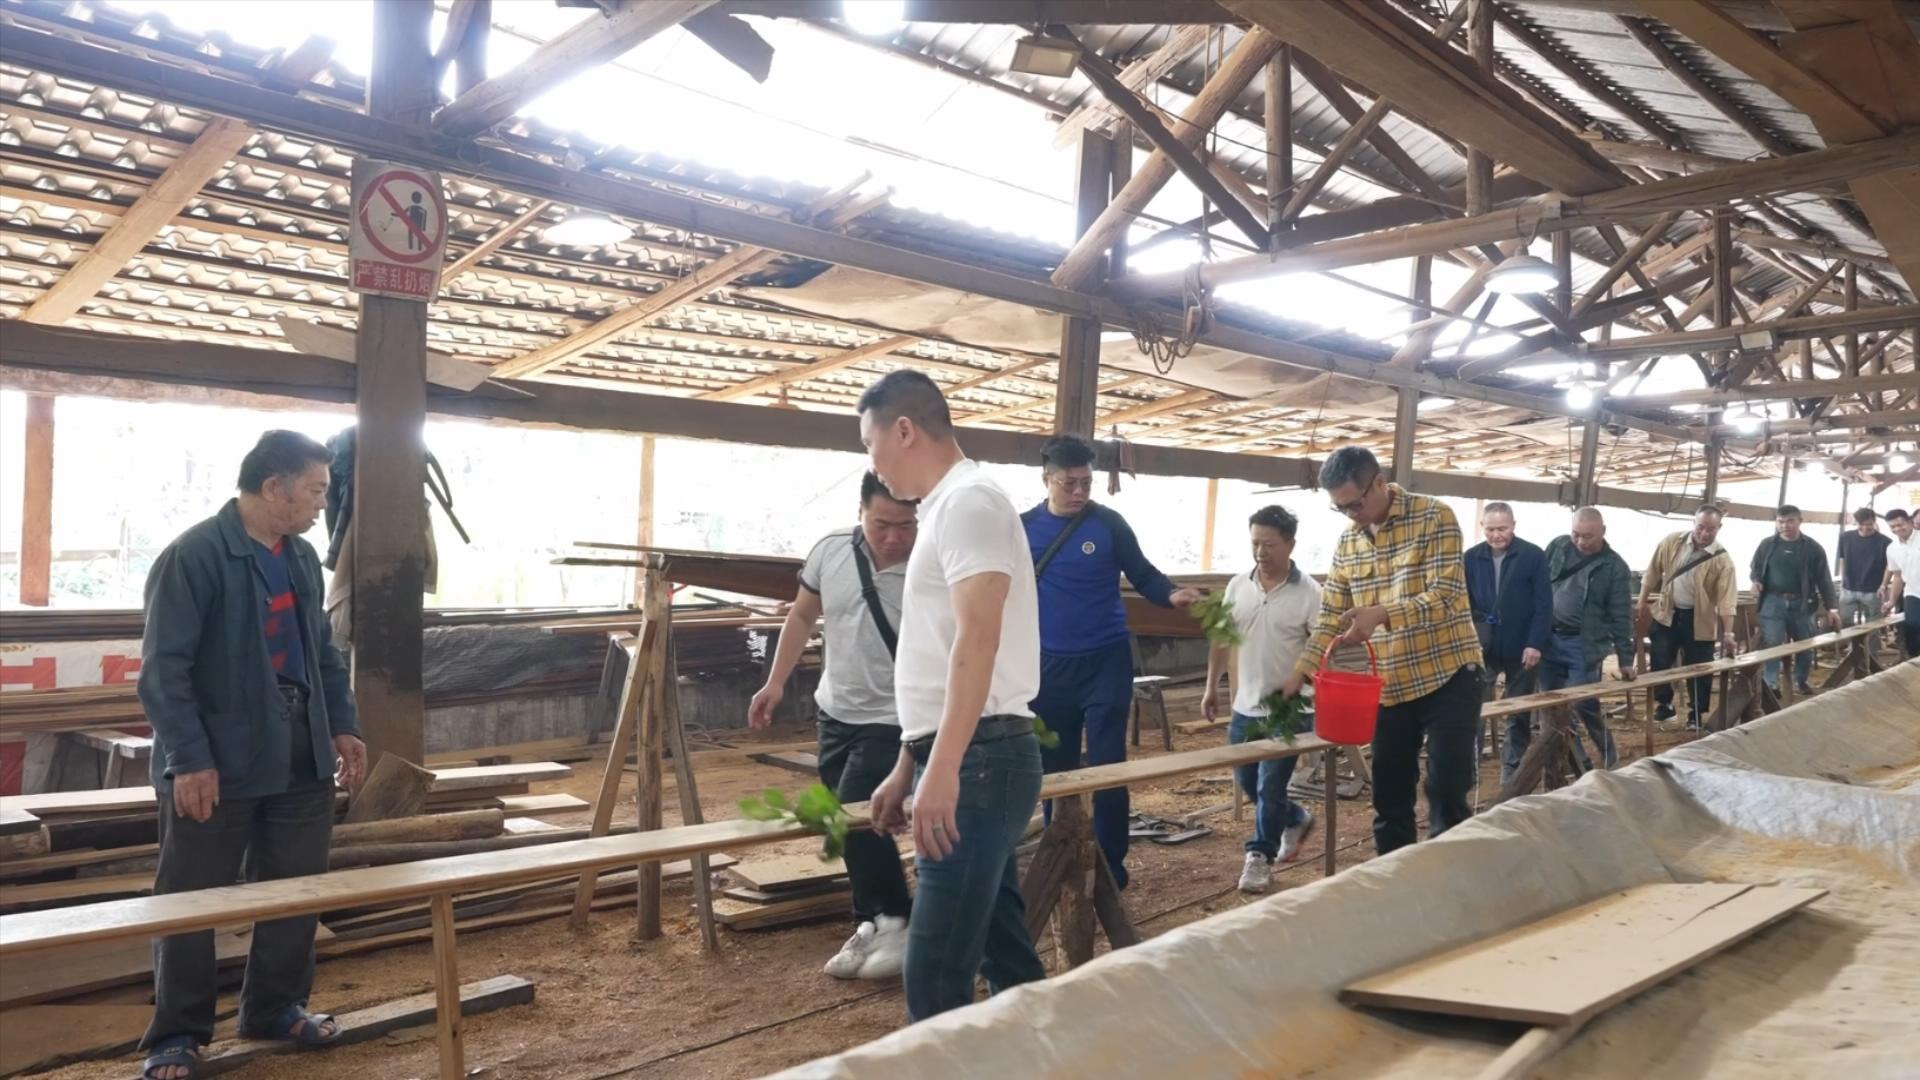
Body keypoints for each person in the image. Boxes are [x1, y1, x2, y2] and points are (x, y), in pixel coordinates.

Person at [135, 431, 368, 1080]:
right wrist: (189, 759)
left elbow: (322, 653)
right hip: (217, 760)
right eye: (316, 490)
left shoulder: (301, 559)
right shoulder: (194, 557)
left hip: (300, 752)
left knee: (295, 889)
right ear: (274, 487)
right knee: (190, 899)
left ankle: (274, 1008)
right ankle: (177, 1034)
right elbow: (163, 672)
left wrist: (342, 726)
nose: (324, 503)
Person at [856, 370, 1047, 1022]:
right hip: (969, 753)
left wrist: (941, 769)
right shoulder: (946, 508)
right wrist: (910, 761)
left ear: (905, 430)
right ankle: (1041, 1055)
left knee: (934, 973)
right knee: (1004, 953)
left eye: (872, 445)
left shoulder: (970, 503)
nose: (874, 464)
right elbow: (942, 657)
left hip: (980, 760)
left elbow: (977, 639)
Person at [748, 472, 919, 980]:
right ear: (860, 512)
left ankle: (898, 920)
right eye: (882, 524)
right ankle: (869, 922)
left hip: (895, 717)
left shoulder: (933, 564)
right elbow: (802, 616)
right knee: (843, 821)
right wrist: (776, 682)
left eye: (906, 525)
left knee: (855, 815)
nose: (894, 537)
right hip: (836, 711)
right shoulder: (830, 551)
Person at [1281, 448, 1483, 856]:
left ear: (1378, 482)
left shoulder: (1434, 516)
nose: (1350, 514)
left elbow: (1446, 596)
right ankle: (1395, 875)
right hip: (1389, 685)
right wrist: (1303, 669)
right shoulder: (1349, 542)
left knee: (1446, 787)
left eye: (1354, 504)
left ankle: (1450, 874)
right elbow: (1331, 614)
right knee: (1389, 794)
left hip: (1449, 674)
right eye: (1340, 508)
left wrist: (1382, 613)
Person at [1022, 434, 1201, 890]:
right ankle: (1061, 858)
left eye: (1086, 482)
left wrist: (1171, 594)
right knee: (1057, 771)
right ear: (1046, 479)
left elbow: (1143, 573)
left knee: (1108, 766)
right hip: (1048, 666)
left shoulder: (1108, 524)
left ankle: (1111, 869)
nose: (1079, 491)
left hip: (1106, 660)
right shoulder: (1021, 529)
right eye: (1069, 483)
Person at [1200, 506, 1321, 893]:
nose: (1260, 552)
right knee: (1251, 784)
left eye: (1269, 544)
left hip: (1290, 709)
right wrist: (1212, 686)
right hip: (1245, 706)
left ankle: (1259, 857)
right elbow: (1222, 639)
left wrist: (1301, 676)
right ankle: (1296, 818)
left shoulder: (1310, 593)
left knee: (1270, 787)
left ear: (1290, 544)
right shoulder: (1238, 586)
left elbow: (1322, 648)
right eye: (1255, 543)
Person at [1540, 508, 1636, 771]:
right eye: (1576, 534)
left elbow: (1621, 615)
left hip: (1583, 644)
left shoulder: (1615, 567)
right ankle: (1578, 764)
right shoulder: (1558, 546)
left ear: (1603, 531)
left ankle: (1608, 752)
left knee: (1583, 702)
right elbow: (1537, 582)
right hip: (1549, 639)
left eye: (1588, 536)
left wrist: (1626, 659)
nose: (1580, 541)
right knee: (1551, 705)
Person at [1462, 502, 1550, 786]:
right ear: (1482, 528)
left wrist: (1535, 643)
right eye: (1490, 529)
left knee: (1518, 710)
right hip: (1482, 646)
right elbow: (1463, 603)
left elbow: (1543, 605)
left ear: (1514, 526)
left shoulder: (1532, 556)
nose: (1496, 535)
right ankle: (1470, 771)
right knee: (1474, 708)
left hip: (1522, 646)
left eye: (1502, 528)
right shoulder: (1471, 558)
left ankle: (1511, 773)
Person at [1637, 505, 1739, 730]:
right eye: (1700, 527)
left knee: (1699, 666)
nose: (1704, 533)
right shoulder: (1672, 542)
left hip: (1699, 619)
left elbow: (1727, 599)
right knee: (1660, 658)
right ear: (1693, 522)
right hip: (1668, 612)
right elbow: (1652, 571)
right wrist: (1642, 601)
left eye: (1711, 529)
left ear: (1719, 528)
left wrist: (1728, 633)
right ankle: (1665, 705)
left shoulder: (1723, 560)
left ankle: (1696, 714)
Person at [1750, 504, 1839, 696]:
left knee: (1804, 644)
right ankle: (1771, 684)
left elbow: (1824, 579)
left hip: (1802, 603)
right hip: (1773, 601)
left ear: (1800, 521)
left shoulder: (1813, 548)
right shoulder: (1767, 545)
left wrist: (1832, 608)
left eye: (1790, 521)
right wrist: (1756, 581)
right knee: (1773, 643)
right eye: (1781, 521)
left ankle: (1801, 680)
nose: (1785, 526)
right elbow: (1756, 568)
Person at [1836, 507, 1891, 628]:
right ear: (1856, 522)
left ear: (1875, 522)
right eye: (1861, 524)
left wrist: (1883, 585)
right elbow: (1842, 559)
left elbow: (1890, 566)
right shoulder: (1845, 537)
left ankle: (1871, 641)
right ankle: (1853, 641)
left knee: (1873, 624)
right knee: (1844, 621)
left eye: (1869, 524)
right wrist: (1843, 581)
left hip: (1873, 589)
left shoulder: (1886, 542)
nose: (1865, 528)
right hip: (1848, 588)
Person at [1882, 509, 1920, 657]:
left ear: (1910, 522)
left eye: (1900, 524)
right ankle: (1914, 659)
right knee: (1911, 625)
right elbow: (1897, 576)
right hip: (1913, 592)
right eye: (1893, 526)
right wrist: (1891, 601)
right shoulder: (1892, 549)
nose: (1897, 529)